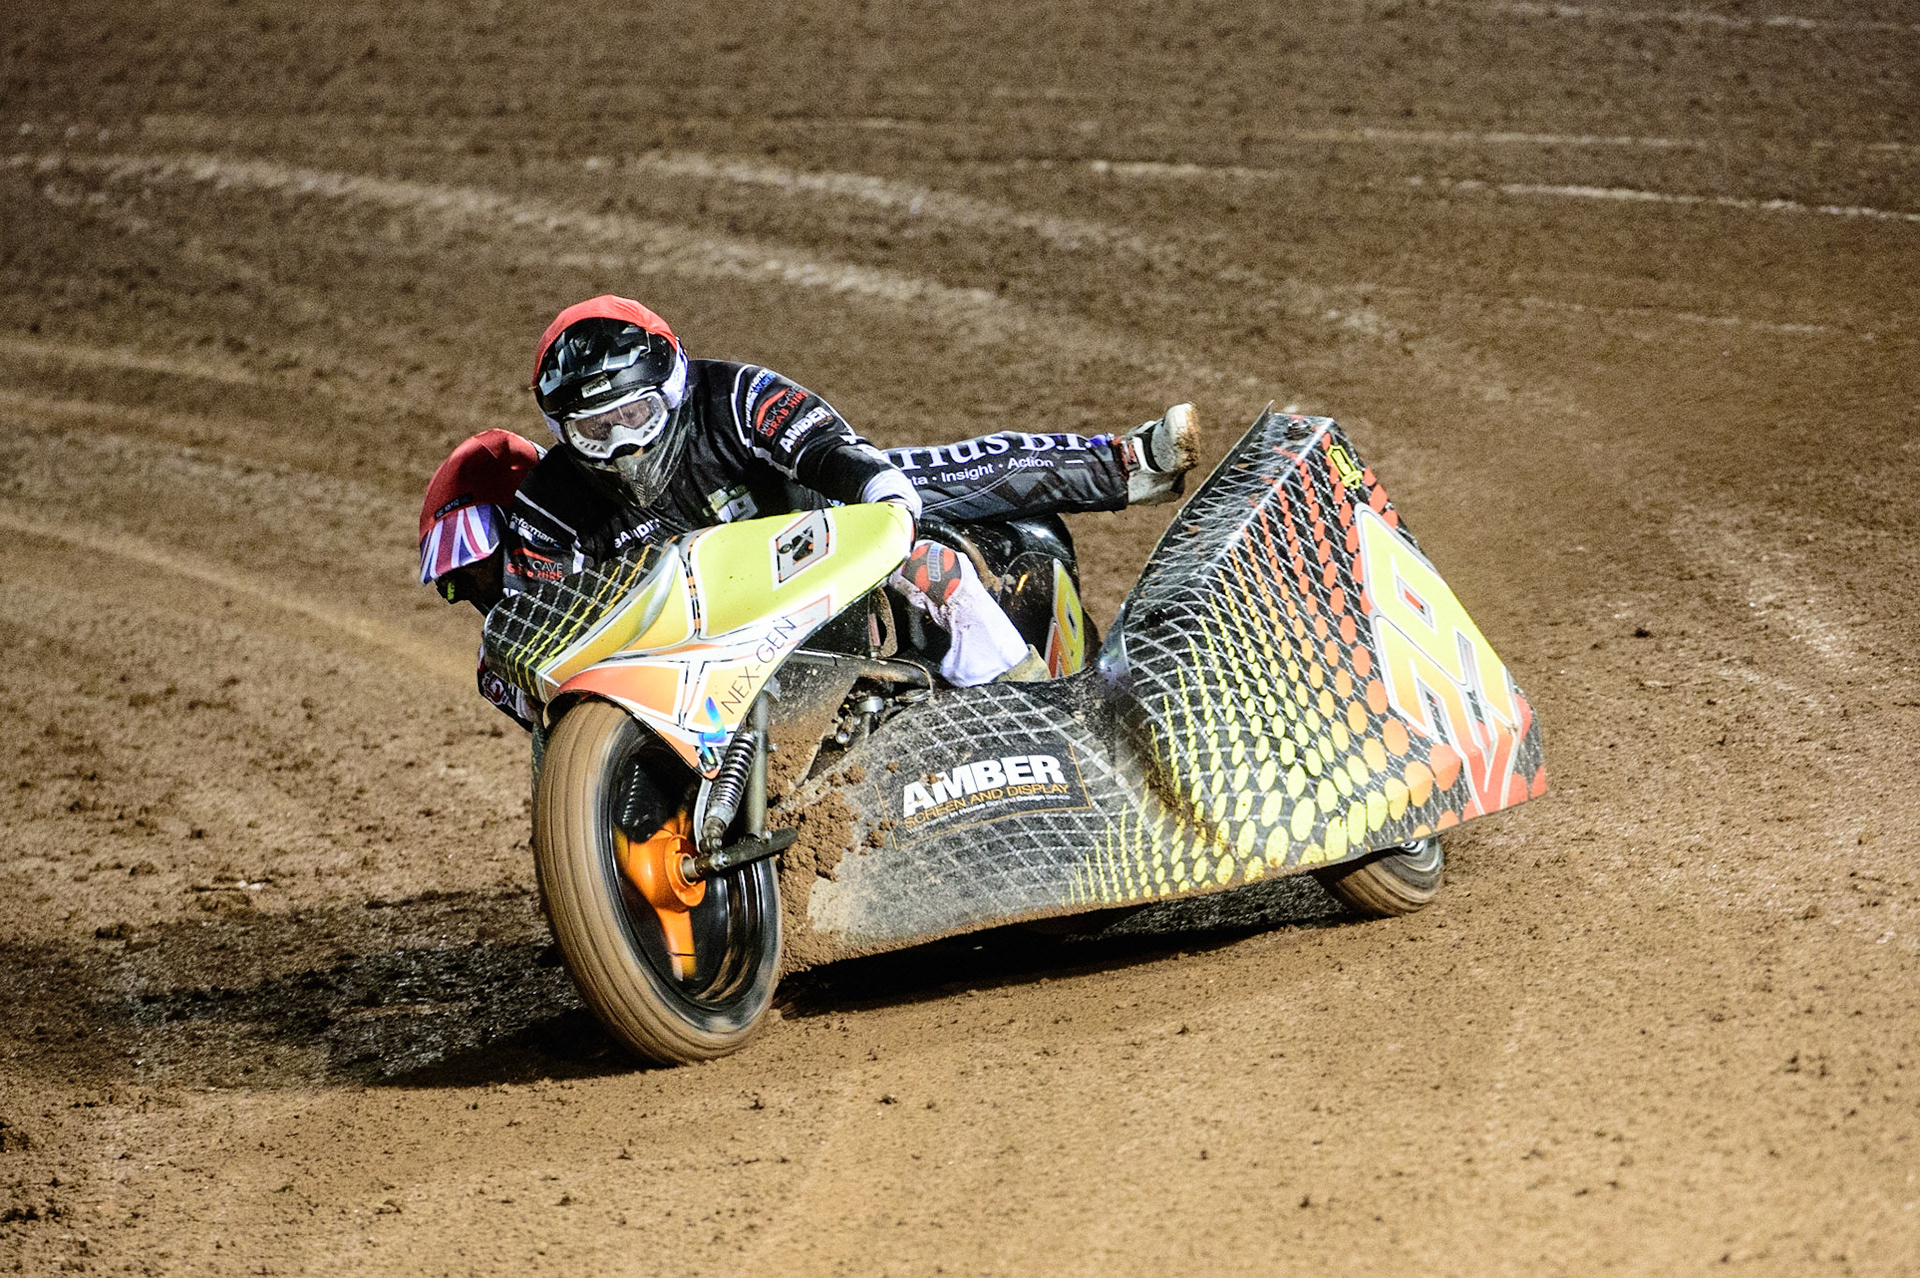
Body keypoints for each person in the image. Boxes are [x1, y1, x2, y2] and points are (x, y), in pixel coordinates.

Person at [418, 294, 1198, 722]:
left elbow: (835, 452)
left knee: (931, 522)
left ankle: (1044, 713)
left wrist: (882, 499)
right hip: (703, 646)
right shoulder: (551, 511)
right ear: (560, 430)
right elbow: (544, 646)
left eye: (635, 416)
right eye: (593, 428)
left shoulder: (737, 395)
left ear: (673, 387)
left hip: (827, 556)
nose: (619, 443)